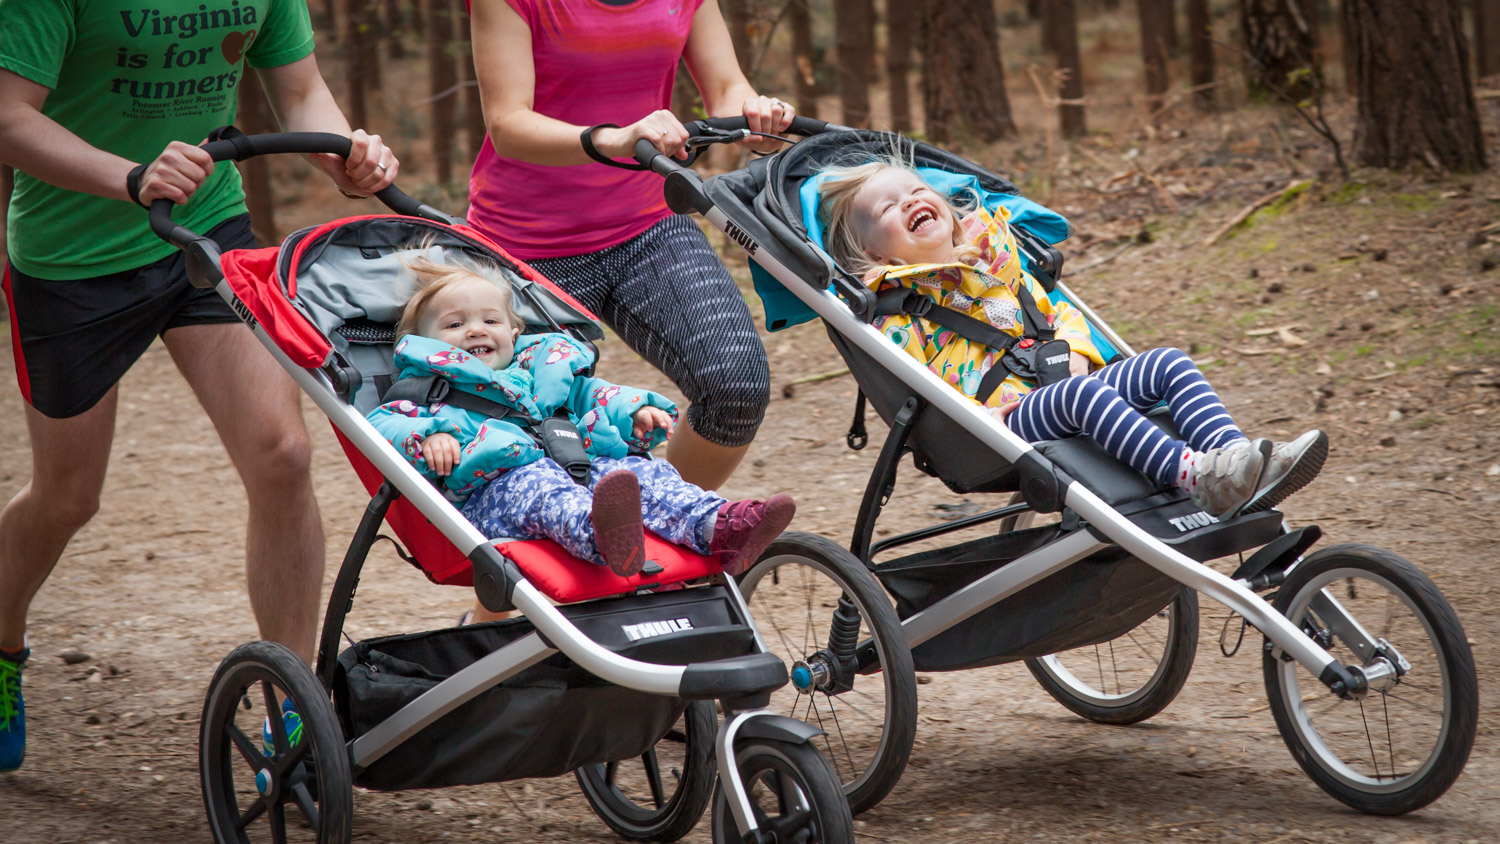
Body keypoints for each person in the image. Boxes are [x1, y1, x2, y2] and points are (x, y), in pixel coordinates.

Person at [0, 0, 400, 772]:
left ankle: (295, 715)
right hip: (71, 260)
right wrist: (130, 178)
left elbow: (302, 90)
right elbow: (10, 119)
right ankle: (1, 641)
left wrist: (348, 156)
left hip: (202, 229)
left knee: (282, 455)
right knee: (68, 497)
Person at [463, 0, 797, 622]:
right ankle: (495, 624)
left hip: (648, 227)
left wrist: (751, 114)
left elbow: (726, 87)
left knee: (737, 386)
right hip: (525, 244)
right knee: (531, 437)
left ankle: (669, 533)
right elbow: (507, 122)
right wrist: (611, 139)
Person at [818, 156, 1329, 519]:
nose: (910, 202)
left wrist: (1078, 353)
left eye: (916, 191)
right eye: (888, 209)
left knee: (1168, 363)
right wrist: (976, 416)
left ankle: (1237, 465)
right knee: (1083, 397)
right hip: (999, 423)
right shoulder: (897, 309)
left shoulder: (997, 257)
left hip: (1062, 378)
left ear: (947, 208)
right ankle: (1195, 477)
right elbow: (919, 384)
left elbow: (1056, 316)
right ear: (880, 257)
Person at [367, 253, 796, 578]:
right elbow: (386, 424)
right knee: (540, 487)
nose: (476, 330)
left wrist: (634, 411)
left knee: (640, 474)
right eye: (455, 324)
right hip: (495, 494)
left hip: (579, 465)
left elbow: (595, 394)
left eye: (490, 319)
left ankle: (718, 526)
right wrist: (430, 437)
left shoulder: (543, 370)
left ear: (514, 335)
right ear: (422, 343)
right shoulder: (428, 390)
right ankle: (602, 536)